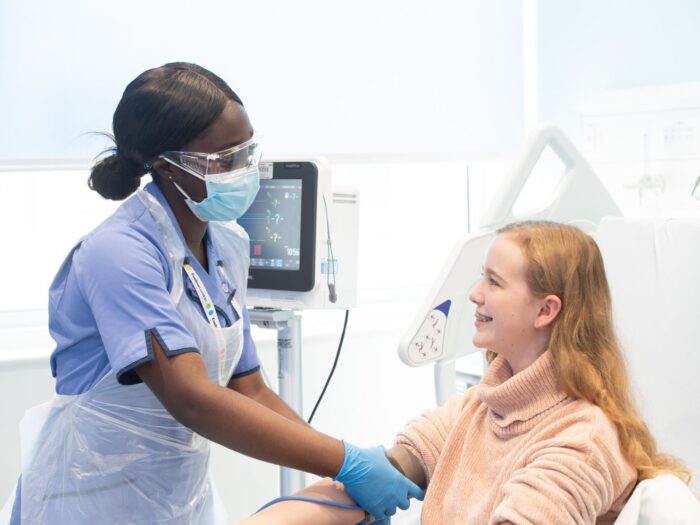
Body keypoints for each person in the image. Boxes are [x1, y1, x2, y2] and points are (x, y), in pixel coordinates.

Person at [6, 62, 423, 524]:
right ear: (168, 169)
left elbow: (250, 389)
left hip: (173, 497)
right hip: (89, 499)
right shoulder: (119, 253)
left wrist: (341, 474)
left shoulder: (226, 245)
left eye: (247, 152)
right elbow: (191, 397)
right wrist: (344, 460)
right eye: (225, 160)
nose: (245, 171)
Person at [238, 221, 691, 525]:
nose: (475, 294)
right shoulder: (480, 408)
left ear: (546, 310)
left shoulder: (581, 439)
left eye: (494, 282)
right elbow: (383, 473)